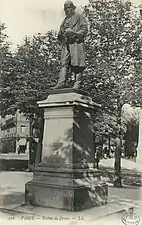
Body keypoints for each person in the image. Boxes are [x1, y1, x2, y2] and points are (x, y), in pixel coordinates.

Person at [53, 1, 88, 89]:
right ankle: (61, 82)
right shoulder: (64, 20)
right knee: (63, 63)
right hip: (66, 44)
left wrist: (75, 34)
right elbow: (60, 34)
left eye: (69, 8)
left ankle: (77, 83)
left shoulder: (80, 17)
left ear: (73, 8)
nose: (67, 10)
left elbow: (84, 29)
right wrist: (61, 33)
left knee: (77, 64)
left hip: (76, 43)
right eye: (65, 8)